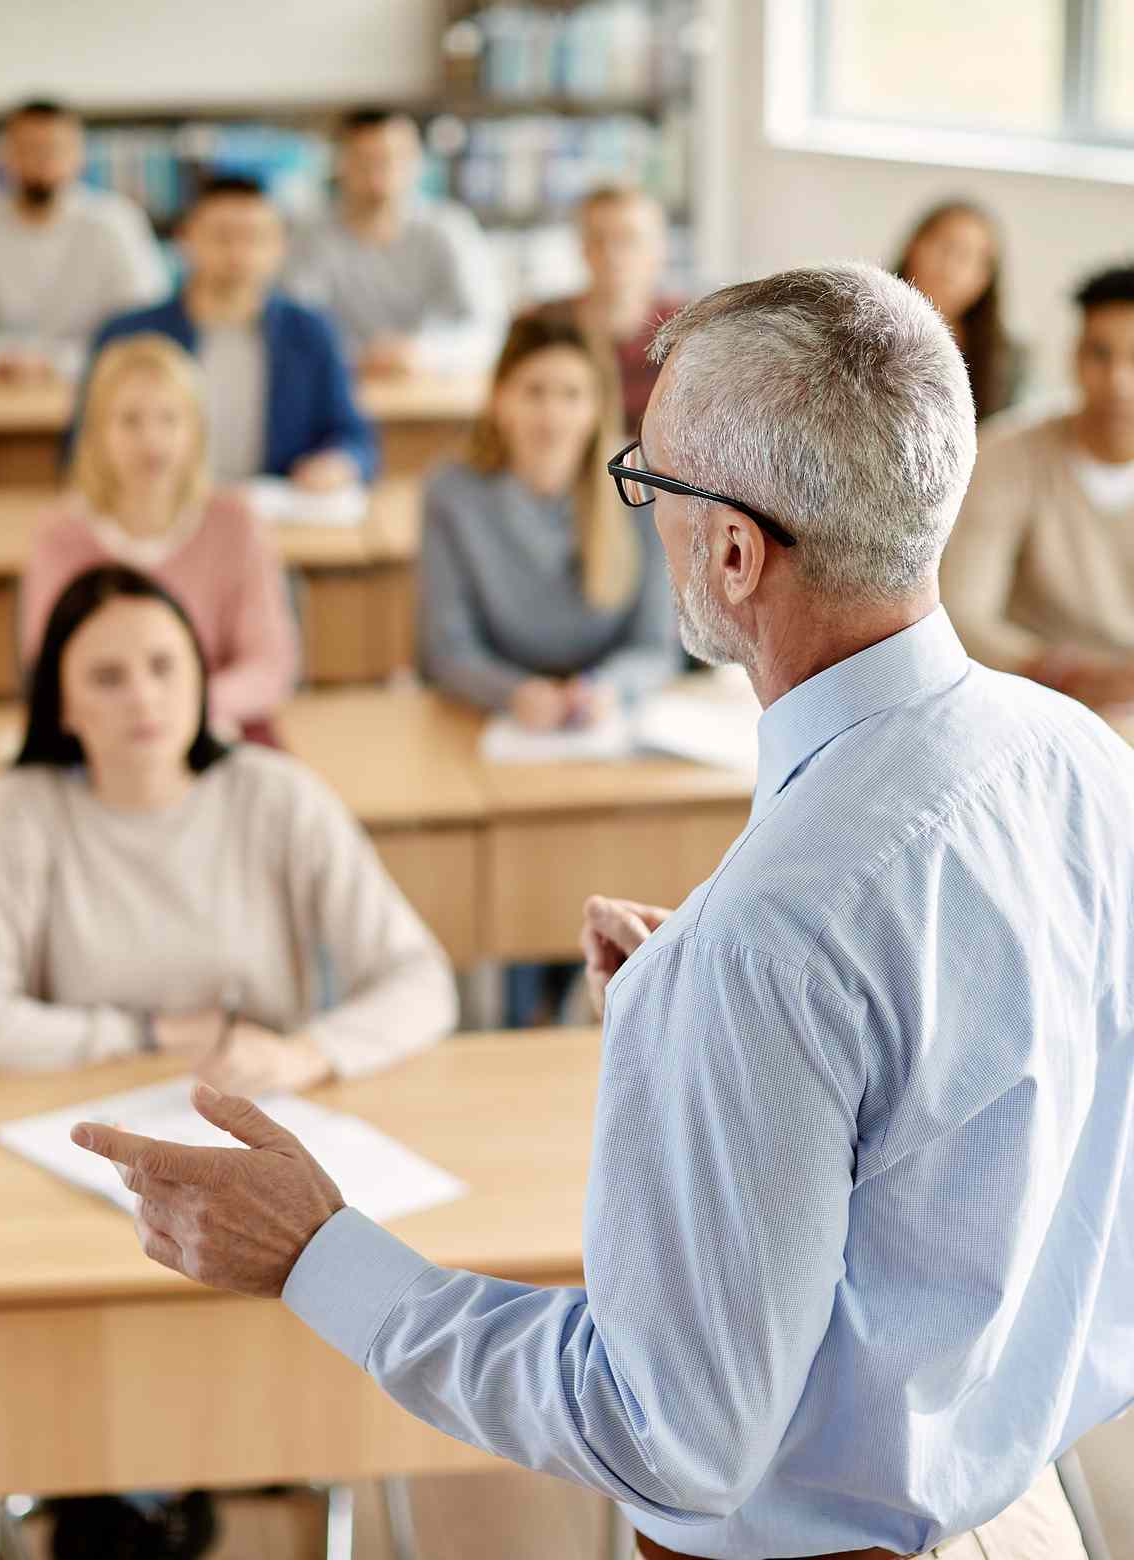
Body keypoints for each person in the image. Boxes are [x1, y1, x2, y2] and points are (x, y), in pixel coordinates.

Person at [75, 265, 1134, 1560]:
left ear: (734, 551)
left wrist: (316, 1255)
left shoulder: (771, 938)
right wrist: (709, 1027)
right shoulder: (1076, 756)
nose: (641, 510)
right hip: (1026, 1514)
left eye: (652, 482)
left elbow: (671, 1434)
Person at [0, 564, 454, 1082]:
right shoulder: (16, 813)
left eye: (164, 667)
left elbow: (421, 982)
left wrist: (305, 1055)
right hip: (84, 1114)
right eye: (107, 678)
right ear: (62, 705)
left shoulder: (278, 796)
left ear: (200, 680)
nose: (143, 697)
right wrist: (148, 1034)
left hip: (260, 1108)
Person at [20, 334, 296, 740]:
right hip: (101, 741)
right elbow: (48, 672)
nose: (151, 440)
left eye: (169, 419)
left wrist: (178, 710)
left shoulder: (237, 526)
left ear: (195, 431)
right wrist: (135, 715)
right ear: (97, 433)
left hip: (218, 731)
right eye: (130, 421)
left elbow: (270, 668)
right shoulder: (59, 539)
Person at [421, 314, 678, 725]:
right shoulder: (452, 496)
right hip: (491, 718)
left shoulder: (641, 489)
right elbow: (449, 650)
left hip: (607, 718)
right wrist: (513, 694)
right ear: (500, 400)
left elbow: (654, 647)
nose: (551, 415)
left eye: (572, 395)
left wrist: (608, 689)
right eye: (534, 392)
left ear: (597, 407)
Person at [85, 175, 378, 490]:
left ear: (280, 247)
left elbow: (354, 438)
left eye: (255, 237)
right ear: (185, 239)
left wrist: (339, 464)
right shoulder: (128, 335)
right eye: (222, 236)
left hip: (274, 513)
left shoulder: (312, 333)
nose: (239, 252)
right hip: (157, 513)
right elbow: (83, 447)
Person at [941, 262, 1134, 708]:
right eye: (1099, 354)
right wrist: (1064, 673)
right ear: (1074, 356)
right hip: (1029, 701)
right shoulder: (1006, 455)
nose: (1118, 382)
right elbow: (963, 609)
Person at [0, 98, 169, 382]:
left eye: (55, 149)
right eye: (28, 148)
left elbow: (145, 336)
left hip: (97, 389)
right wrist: (16, 362)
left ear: (80, 156)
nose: (42, 161)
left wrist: (51, 364)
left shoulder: (117, 222)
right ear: (4, 155)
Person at [281, 107, 504, 377]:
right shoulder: (311, 236)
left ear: (418, 161)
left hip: (433, 384)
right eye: (365, 160)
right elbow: (294, 325)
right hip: (340, 382)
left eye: (392, 158)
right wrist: (358, 357)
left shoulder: (448, 229)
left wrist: (424, 354)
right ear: (341, 164)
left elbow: (487, 327)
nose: (379, 173)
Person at [531, 184, 685, 436]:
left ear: (659, 249)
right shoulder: (542, 326)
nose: (611, 254)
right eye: (598, 238)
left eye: (627, 239)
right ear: (581, 247)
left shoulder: (687, 331)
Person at [894, 199, 1024, 421]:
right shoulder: (853, 323)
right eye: (944, 247)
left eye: (967, 257)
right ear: (912, 247)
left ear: (986, 278)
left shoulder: (1006, 359)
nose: (950, 268)